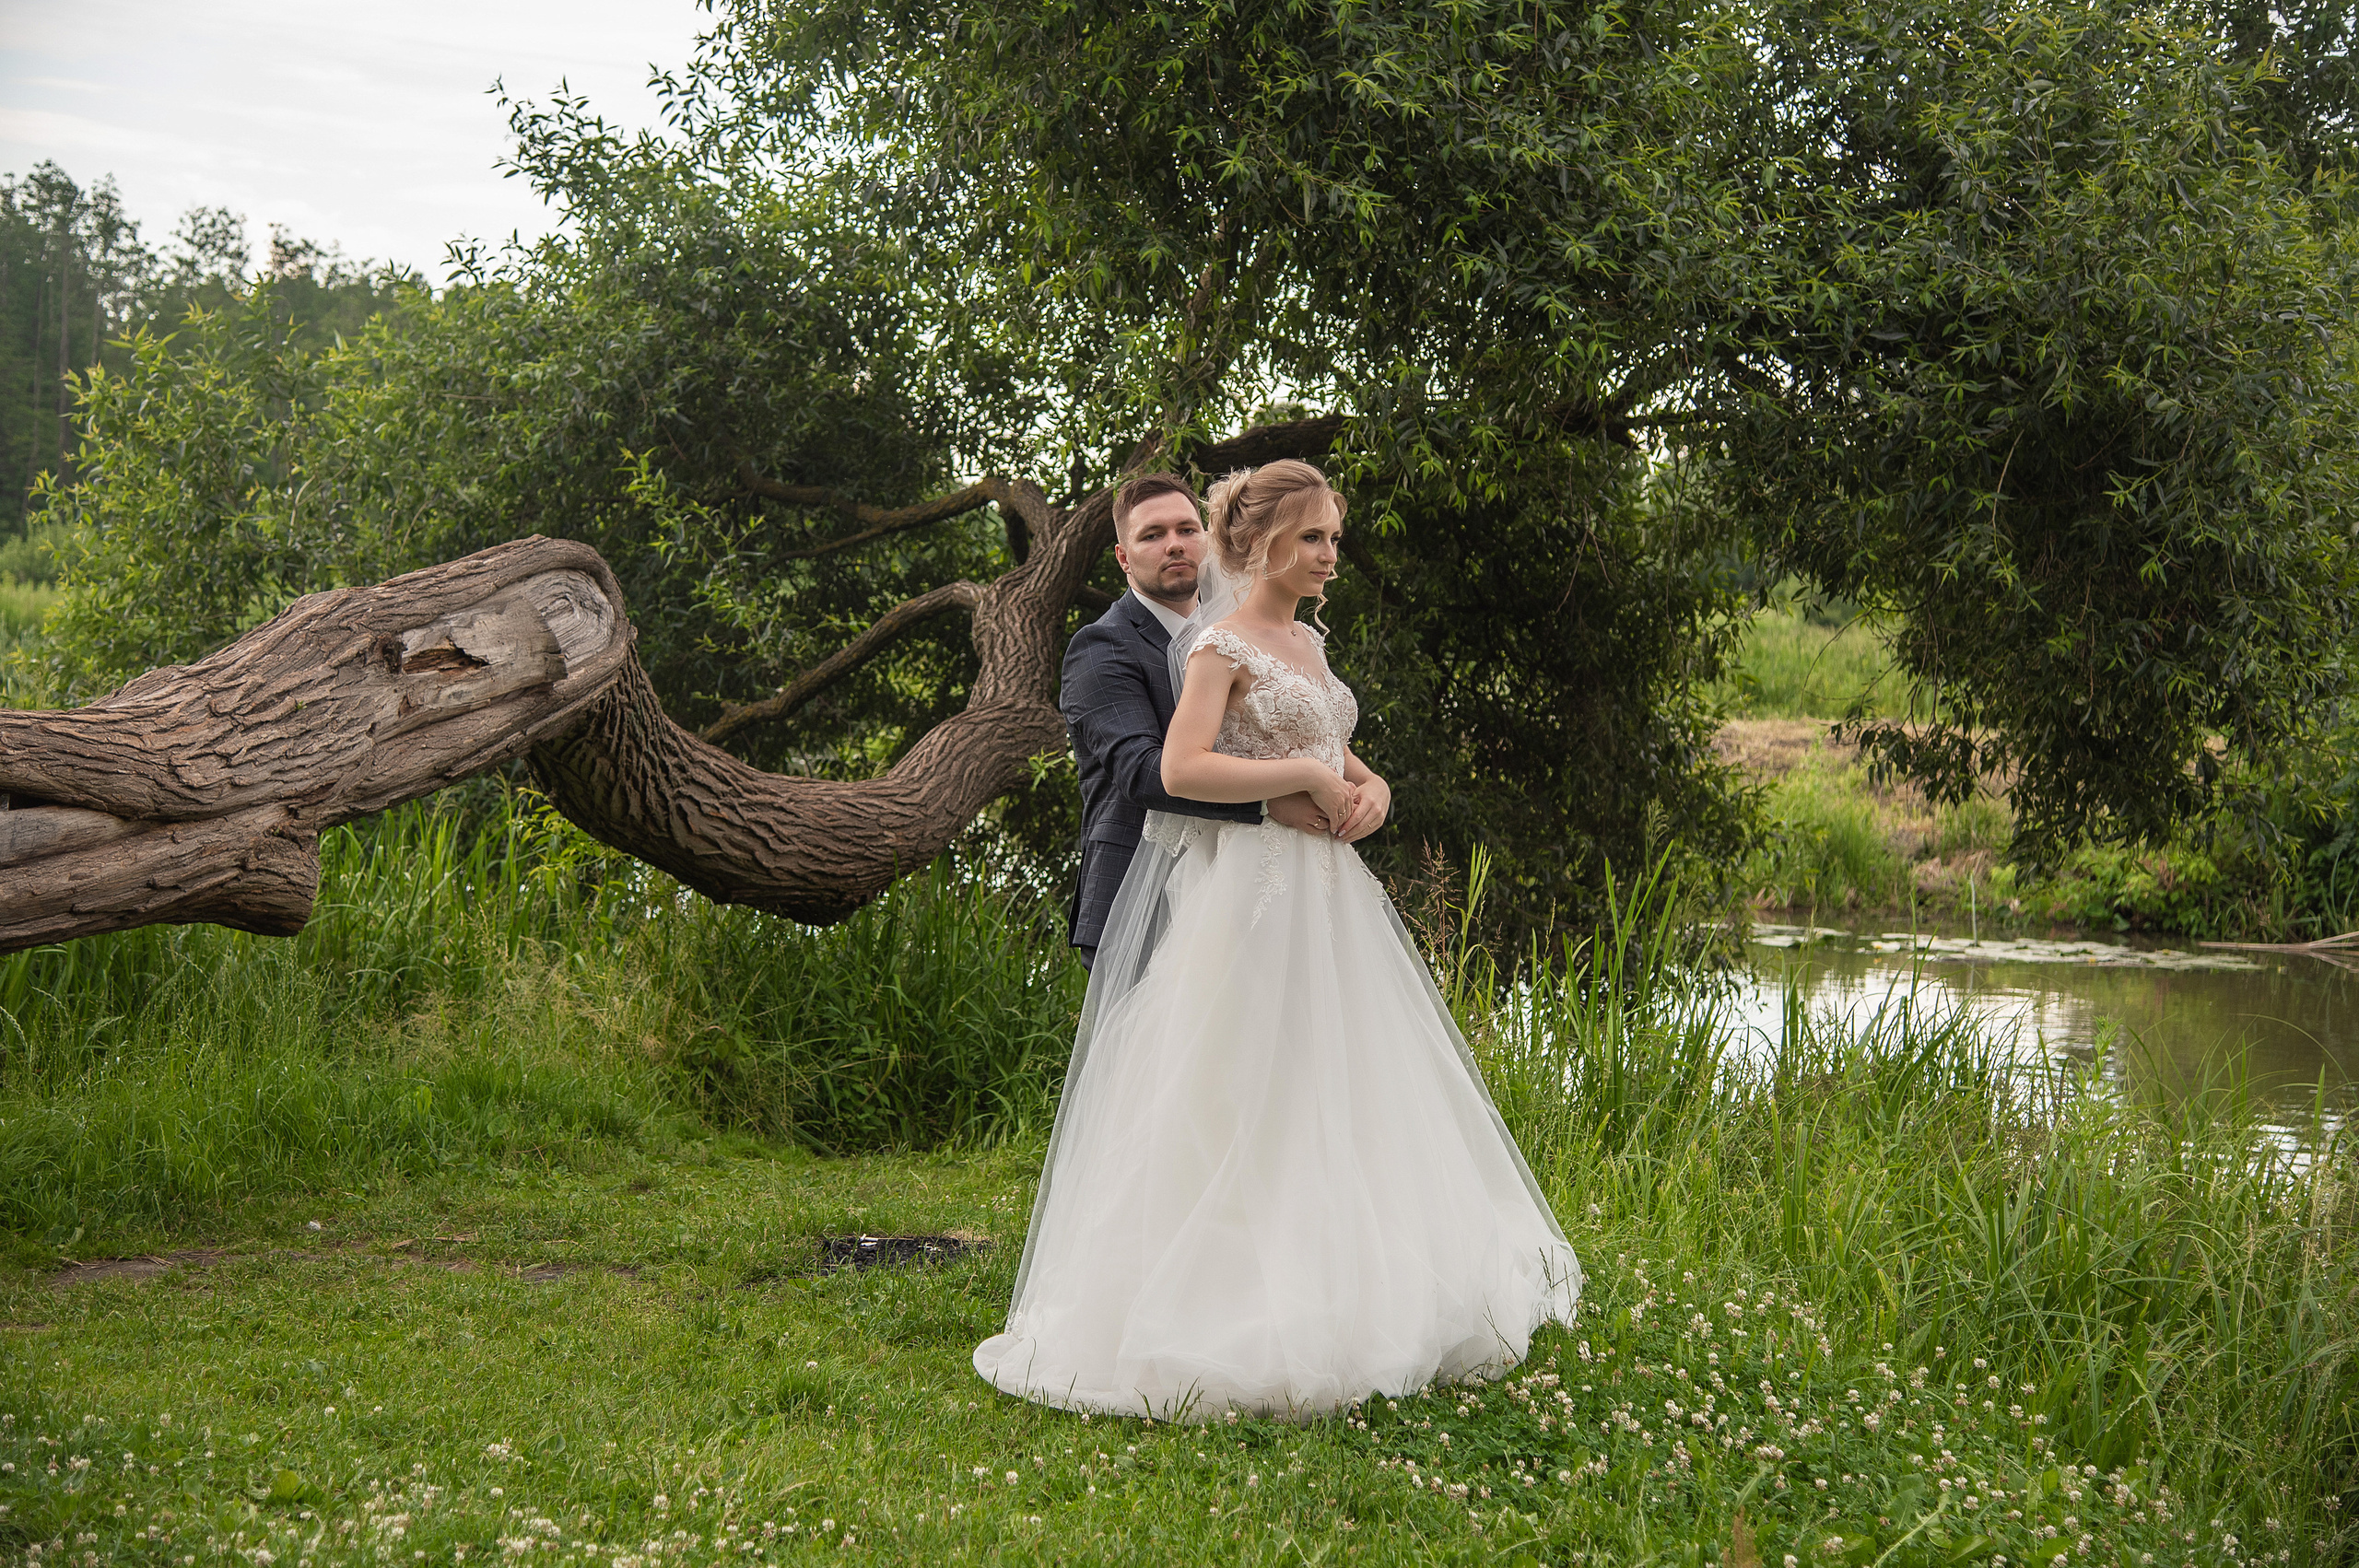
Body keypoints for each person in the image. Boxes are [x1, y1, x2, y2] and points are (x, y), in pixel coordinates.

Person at [975, 460, 1580, 1421]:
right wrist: (1294, 780)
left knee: (1330, 1082)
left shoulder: (1300, 636)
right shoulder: (1126, 649)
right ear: (1135, 550)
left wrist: (1369, 786)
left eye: (1336, 535)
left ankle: (1350, 1279)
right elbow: (1154, 770)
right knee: (1213, 1089)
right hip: (1210, 894)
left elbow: (1326, 735)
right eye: (1314, 537)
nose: (1331, 553)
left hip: (1322, 894)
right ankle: (1204, 1300)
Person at [1058, 474, 1338, 969]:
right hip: (1140, 898)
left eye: (1187, 530)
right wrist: (1271, 803)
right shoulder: (1101, 648)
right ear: (1124, 557)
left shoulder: (1245, 634)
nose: (1175, 546)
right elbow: (1145, 773)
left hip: (1251, 885)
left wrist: (1362, 782)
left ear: (1209, 540)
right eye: (1152, 535)